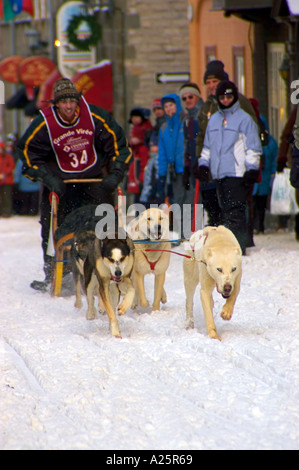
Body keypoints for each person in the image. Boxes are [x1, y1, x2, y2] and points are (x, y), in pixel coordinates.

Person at [18, 77, 132, 291]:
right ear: (56, 104)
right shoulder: (44, 122)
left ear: (78, 101)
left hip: (94, 181)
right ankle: (56, 272)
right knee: (55, 227)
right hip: (61, 184)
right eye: (63, 102)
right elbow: (26, 152)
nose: (69, 106)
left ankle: (110, 267)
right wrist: (47, 177)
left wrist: (115, 175)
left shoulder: (96, 117)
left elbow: (120, 147)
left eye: (72, 101)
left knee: (103, 224)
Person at [196, 80, 262, 254]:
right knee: (223, 211)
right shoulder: (214, 120)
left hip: (237, 172)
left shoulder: (244, 119)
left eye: (229, 96)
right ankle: (228, 246)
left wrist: (252, 169)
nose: (225, 100)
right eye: (222, 97)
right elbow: (207, 147)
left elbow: (253, 147)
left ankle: (238, 248)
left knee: (235, 211)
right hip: (218, 173)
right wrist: (203, 165)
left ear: (234, 97)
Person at [158, 93, 192, 238]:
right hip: (174, 171)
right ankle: (181, 234)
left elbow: (189, 144)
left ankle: (190, 233)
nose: (168, 109)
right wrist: (161, 173)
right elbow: (162, 153)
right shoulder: (164, 128)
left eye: (171, 105)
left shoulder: (186, 122)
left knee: (189, 202)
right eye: (165, 107)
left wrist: (189, 165)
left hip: (187, 168)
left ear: (177, 105)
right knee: (177, 202)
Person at [249, 98, 278, 234]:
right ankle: (255, 225)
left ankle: (259, 225)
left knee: (260, 202)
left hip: (263, 175)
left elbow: (273, 156)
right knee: (255, 202)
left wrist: (273, 172)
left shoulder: (269, 142)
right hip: (256, 175)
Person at [179, 82, 203, 212]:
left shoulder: (202, 114)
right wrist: (187, 166)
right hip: (193, 164)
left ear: (197, 97)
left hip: (204, 164)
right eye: (184, 98)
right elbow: (187, 143)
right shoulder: (187, 118)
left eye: (190, 97)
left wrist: (200, 160)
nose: (187, 100)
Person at [140, 99, 166, 206]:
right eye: (155, 110)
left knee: (156, 186)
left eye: (159, 109)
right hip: (153, 159)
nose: (158, 112)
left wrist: (158, 147)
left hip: (160, 160)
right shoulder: (156, 124)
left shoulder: (164, 123)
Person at [127, 107, 152, 203]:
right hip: (136, 168)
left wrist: (142, 177)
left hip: (140, 170)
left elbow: (144, 161)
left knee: (141, 193)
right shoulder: (135, 130)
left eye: (137, 116)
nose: (135, 119)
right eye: (133, 117)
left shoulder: (143, 148)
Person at [0, 142, 15, 217]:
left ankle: (7, 212)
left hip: (7, 180)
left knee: (6, 197)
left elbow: (11, 166)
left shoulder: (8, 157)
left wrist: (4, 173)